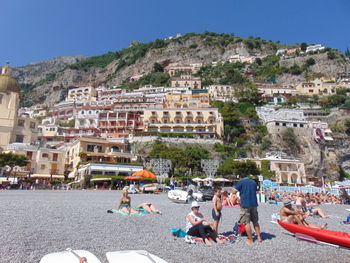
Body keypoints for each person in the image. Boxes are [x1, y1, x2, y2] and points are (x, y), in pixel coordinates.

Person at [232, 174, 262, 244]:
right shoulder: (253, 182)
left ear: (240, 177)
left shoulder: (241, 182)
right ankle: (259, 237)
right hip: (254, 203)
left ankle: (250, 239)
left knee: (246, 222)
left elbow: (234, 192)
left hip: (245, 204)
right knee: (255, 221)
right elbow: (256, 191)